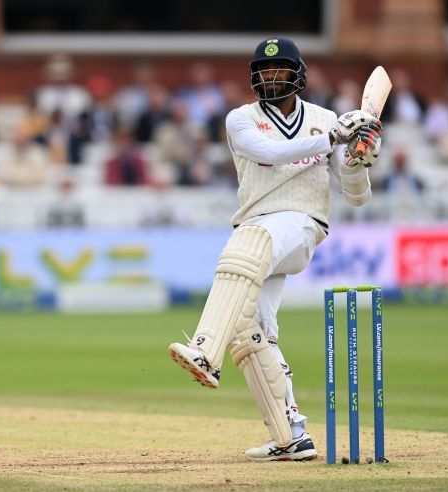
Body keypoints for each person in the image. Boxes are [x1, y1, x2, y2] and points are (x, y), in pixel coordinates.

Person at [167, 38, 382, 462]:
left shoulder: (323, 118)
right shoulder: (240, 119)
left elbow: (357, 196)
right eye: (263, 72)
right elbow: (269, 154)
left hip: (302, 225)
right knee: (249, 329)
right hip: (259, 226)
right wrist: (335, 137)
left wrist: (359, 160)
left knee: (246, 244)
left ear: (298, 74)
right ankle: (291, 436)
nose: (271, 78)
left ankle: (205, 350)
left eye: (280, 70)